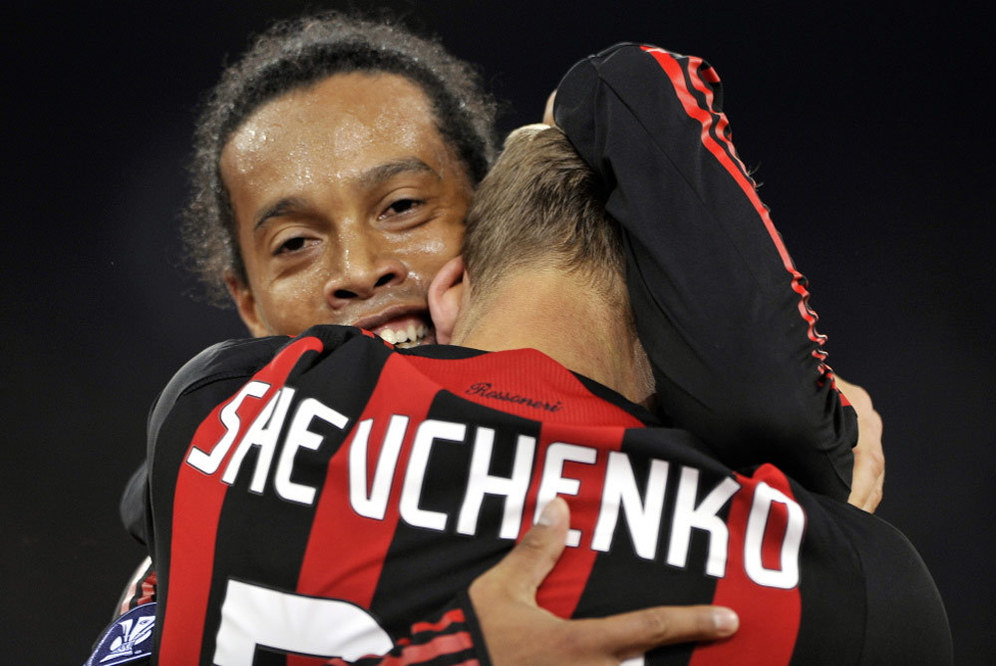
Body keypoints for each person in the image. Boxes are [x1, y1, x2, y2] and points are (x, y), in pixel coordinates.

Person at [133, 42, 946, 664]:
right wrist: (805, 435)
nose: (359, 268)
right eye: (295, 244)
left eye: (404, 206)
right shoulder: (817, 571)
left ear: (481, 231)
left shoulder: (208, 433)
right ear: (247, 306)